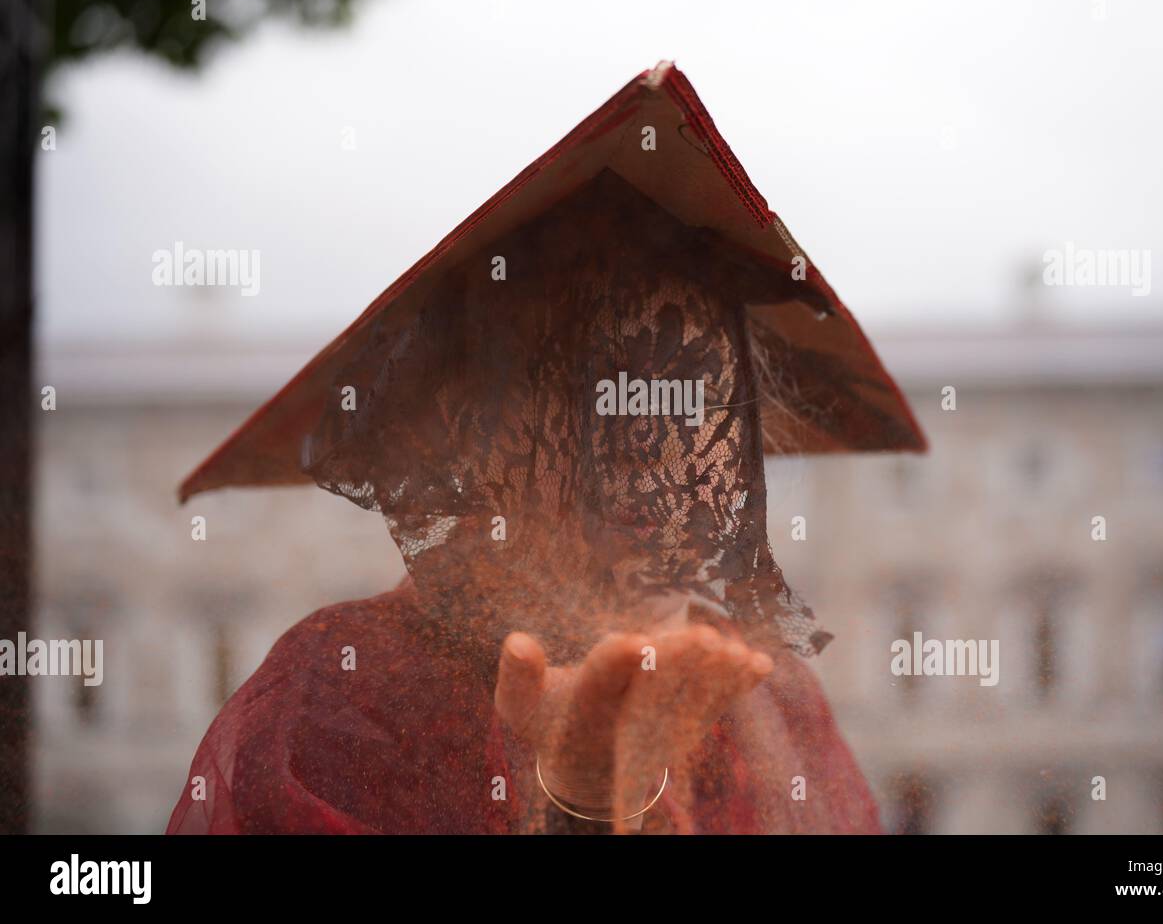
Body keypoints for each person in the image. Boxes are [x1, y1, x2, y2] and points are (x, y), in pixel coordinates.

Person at [167, 66, 924, 834]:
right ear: (465, 434)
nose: (640, 464)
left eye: (681, 404)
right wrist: (583, 803)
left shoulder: (759, 695)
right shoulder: (344, 690)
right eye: (574, 401)